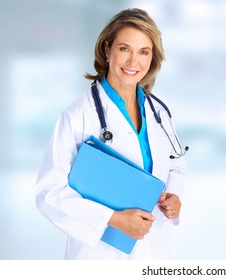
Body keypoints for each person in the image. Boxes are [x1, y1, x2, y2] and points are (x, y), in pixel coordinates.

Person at [35, 8, 187, 259]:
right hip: (99, 255)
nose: (133, 62)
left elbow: (177, 166)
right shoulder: (78, 114)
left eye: (144, 52)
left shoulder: (159, 112)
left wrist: (174, 198)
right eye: (124, 49)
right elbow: (49, 192)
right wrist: (113, 219)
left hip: (155, 250)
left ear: (153, 58)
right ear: (107, 50)